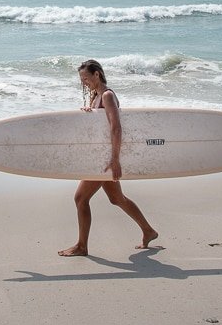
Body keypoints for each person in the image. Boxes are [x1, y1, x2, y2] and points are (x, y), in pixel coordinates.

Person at [58, 60, 159, 256]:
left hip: (105, 160)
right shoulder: (96, 96)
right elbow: (101, 127)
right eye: (81, 80)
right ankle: (148, 231)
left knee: (80, 198)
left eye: (86, 78)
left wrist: (115, 159)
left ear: (97, 74)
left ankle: (81, 246)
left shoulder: (107, 95)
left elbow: (116, 127)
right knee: (116, 198)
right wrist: (89, 114)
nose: (84, 82)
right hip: (101, 156)